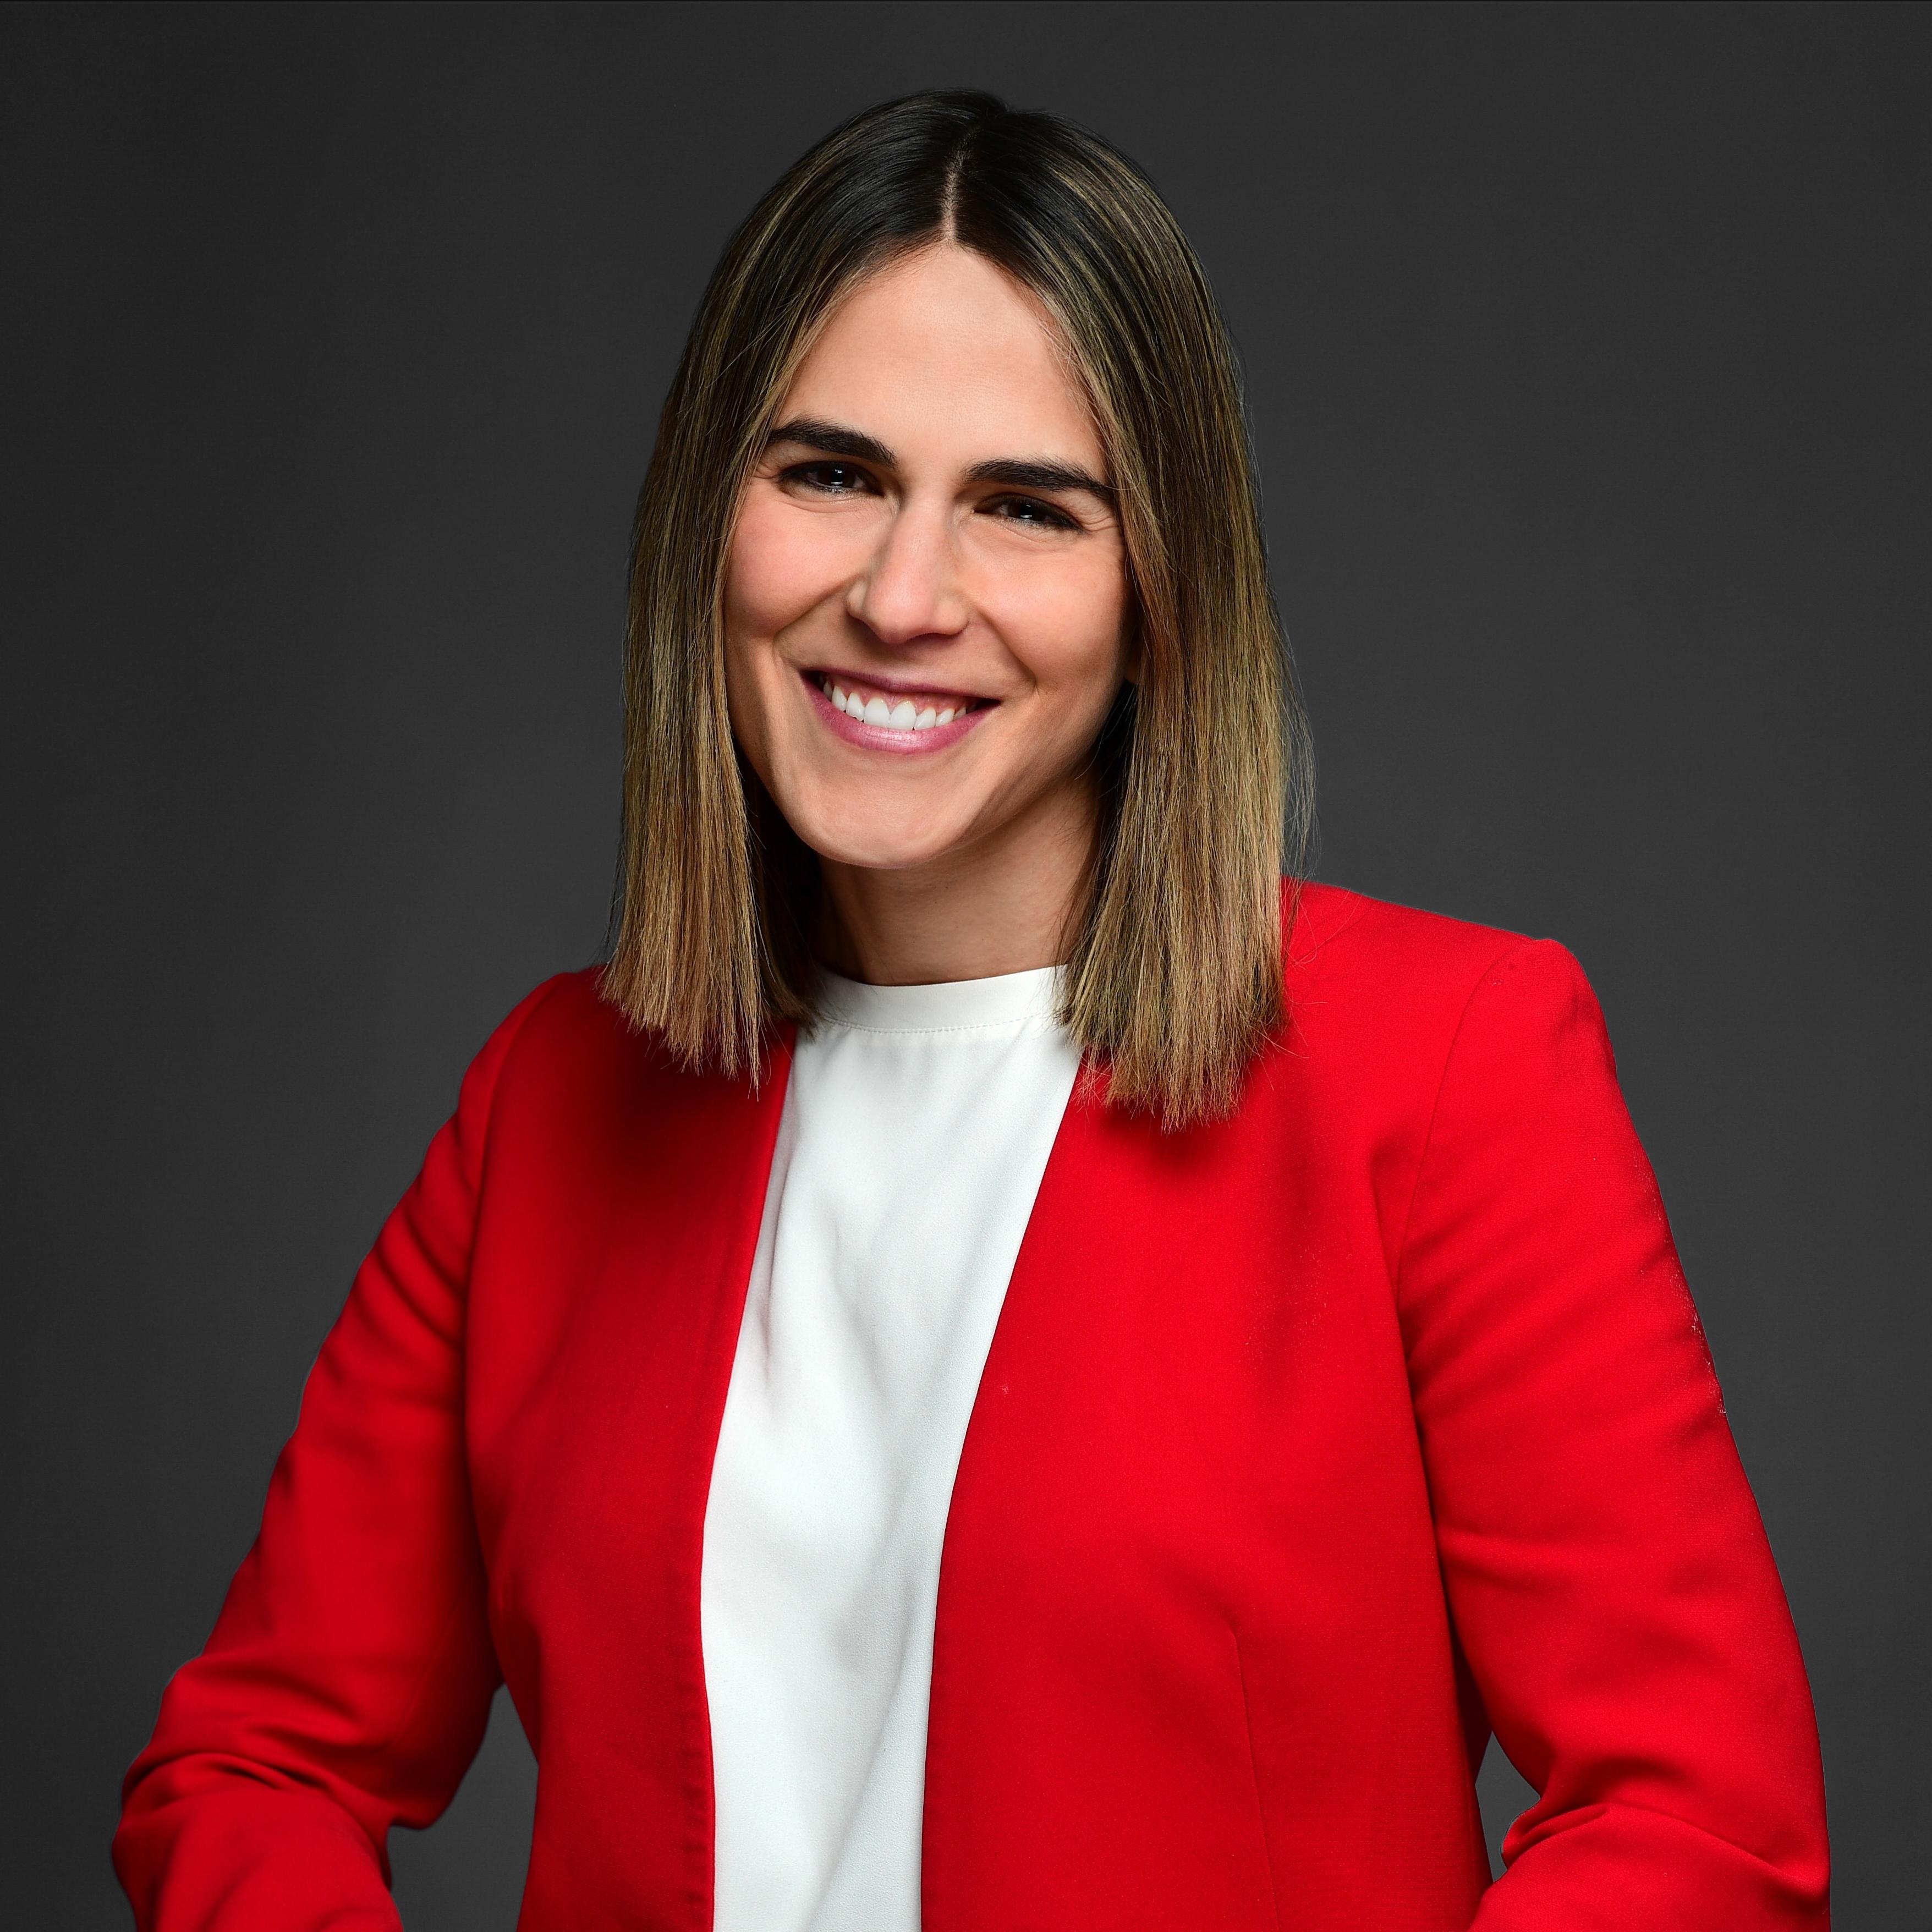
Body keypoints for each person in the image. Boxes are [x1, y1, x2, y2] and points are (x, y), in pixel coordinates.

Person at [114, 90, 1830, 1932]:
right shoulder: (553, 1096)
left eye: (1025, 507)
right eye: (832, 473)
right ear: (716, 515)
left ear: (1160, 591)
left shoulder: (1452, 1062)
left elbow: (1696, 1823)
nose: (903, 596)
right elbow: (251, 1769)